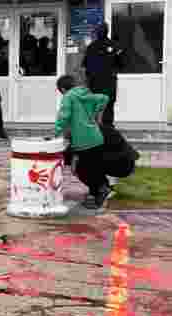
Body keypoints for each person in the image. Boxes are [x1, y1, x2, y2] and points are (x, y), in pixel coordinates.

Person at [54, 75, 111, 210]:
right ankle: (98, 193)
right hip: (96, 138)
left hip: (83, 140)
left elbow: (64, 116)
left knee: (81, 170)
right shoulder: (85, 93)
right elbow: (104, 98)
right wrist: (94, 114)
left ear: (62, 89)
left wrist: (56, 132)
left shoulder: (68, 96)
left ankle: (102, 190)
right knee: (93, 168)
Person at [82, 23, 126, 127]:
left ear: (97, 33)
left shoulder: (91, 47)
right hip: (109, 82)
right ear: (107, 31)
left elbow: (85, 65)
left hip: (94, 82)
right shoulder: (115, 46)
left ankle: (95, 128)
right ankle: (108, 128)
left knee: (94, 105)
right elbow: (121, 65)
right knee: (109, 105)